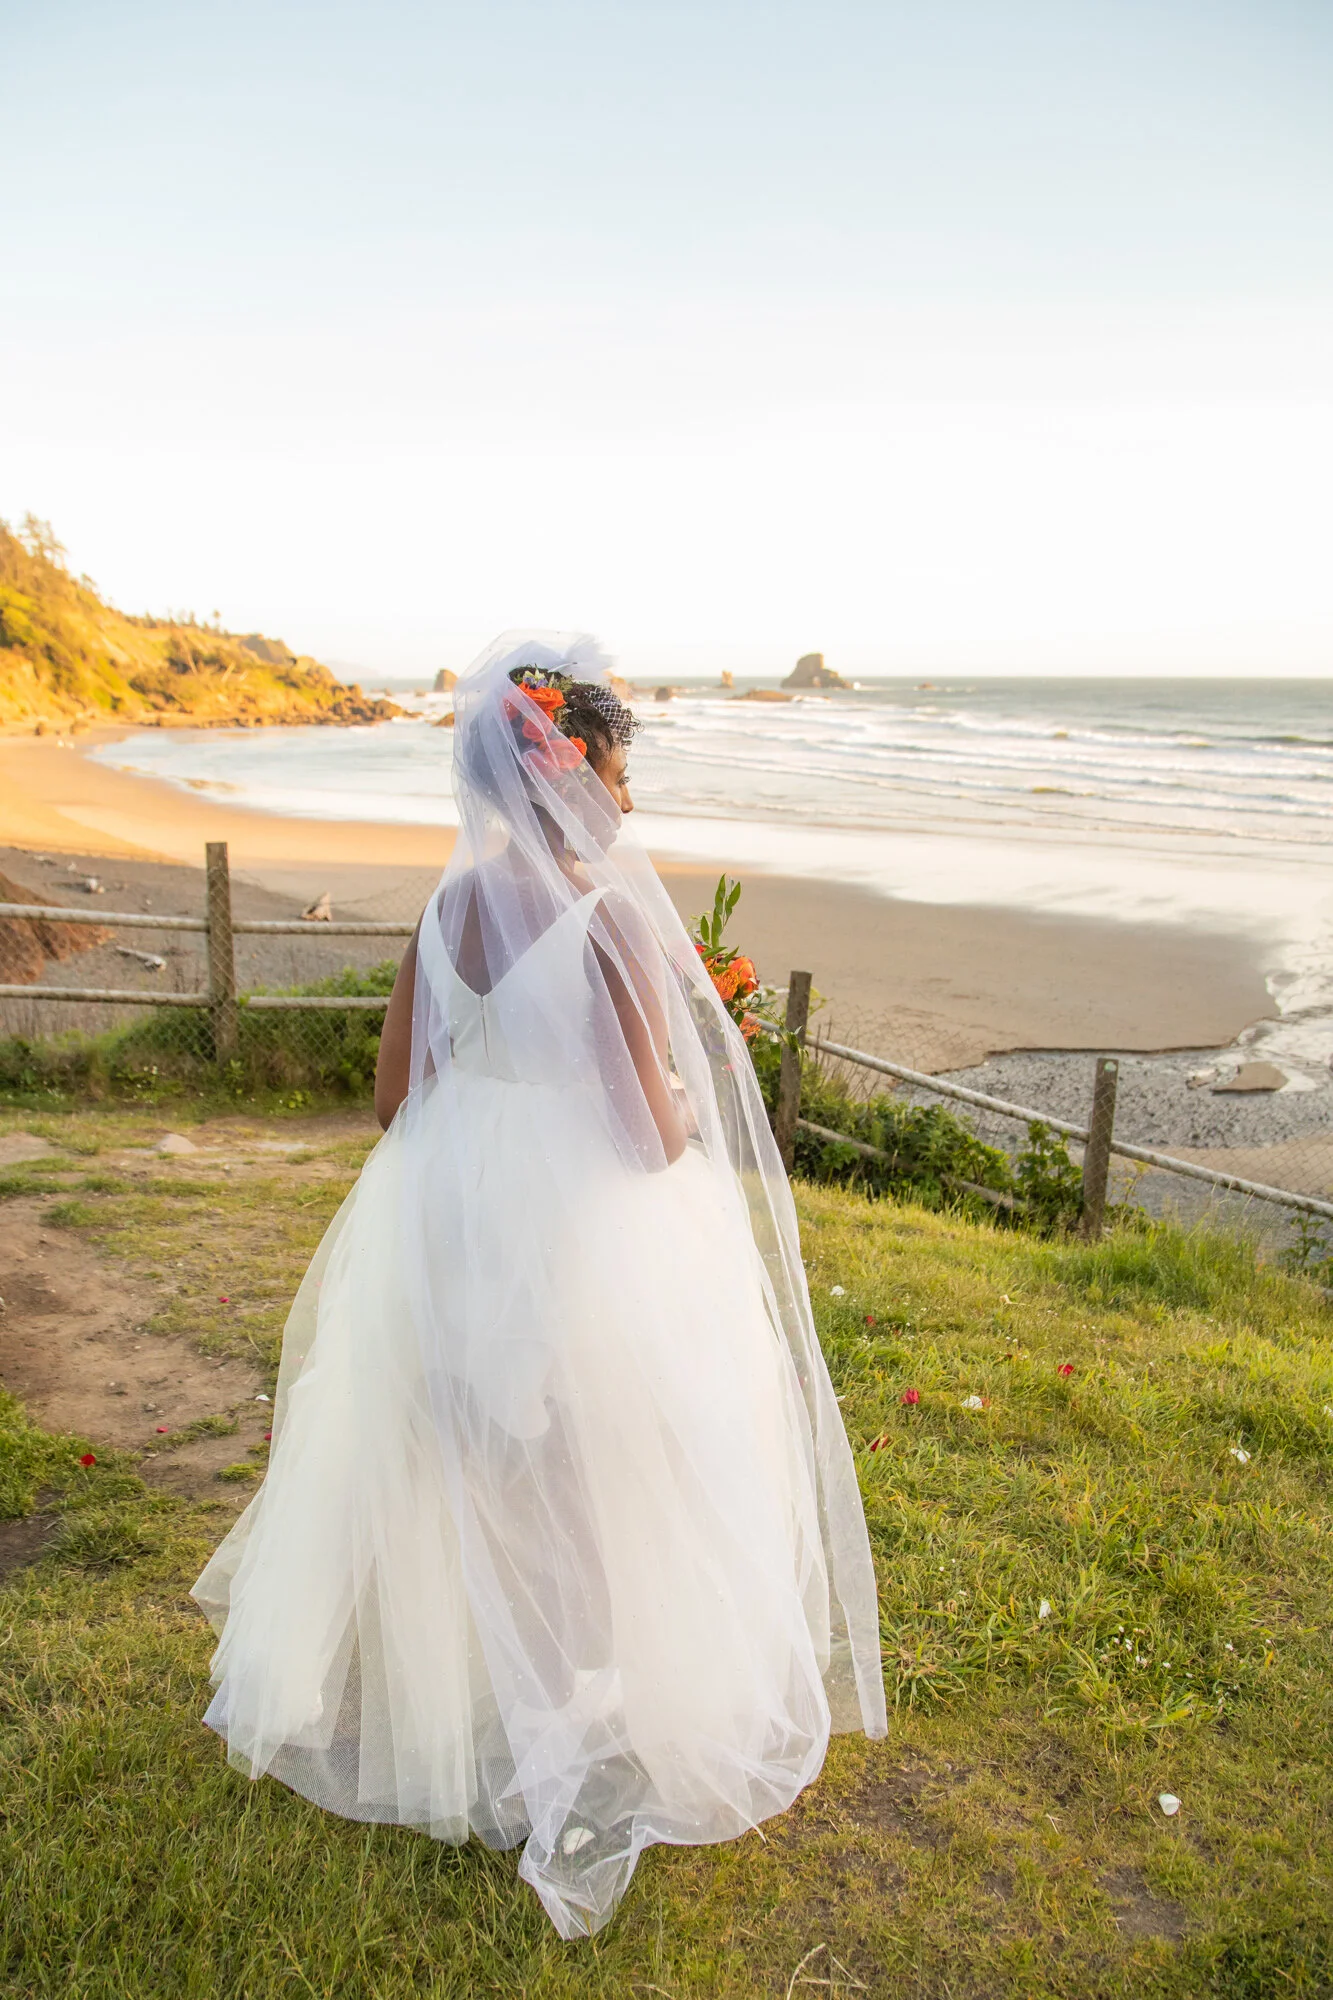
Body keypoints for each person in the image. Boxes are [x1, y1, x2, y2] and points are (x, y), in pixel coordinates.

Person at [192, 633, 887, 1939]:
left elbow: (398, 1097)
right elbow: (642, 1134)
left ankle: (500, 1695)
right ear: (568, 775)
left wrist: (485, 1139)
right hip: (577, 1241)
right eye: (617, 773)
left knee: (483, 1462)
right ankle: (565, 1721)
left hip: (451, 1227)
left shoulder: (447, 912)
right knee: (589, 1466)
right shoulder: (607, 915)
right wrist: (679, 1098)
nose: (628, 800)